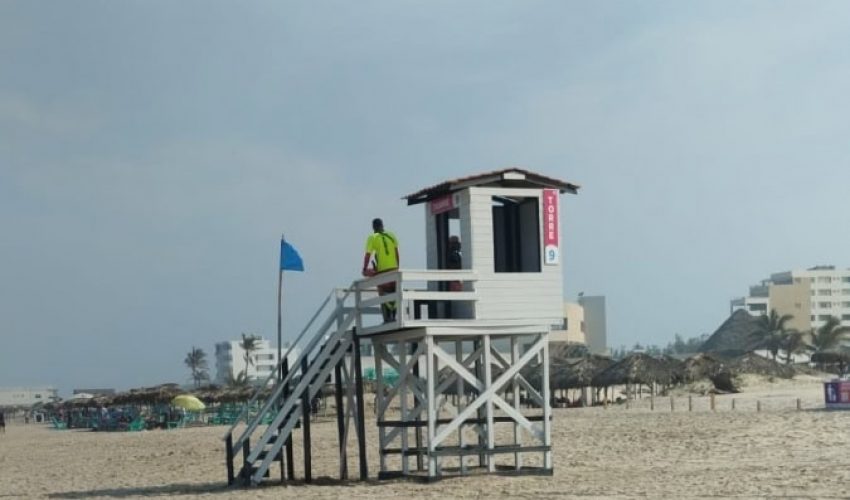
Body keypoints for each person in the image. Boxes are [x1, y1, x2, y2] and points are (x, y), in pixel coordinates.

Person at [362, 218, 400, 322]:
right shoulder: (392, 235)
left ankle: (387, 318)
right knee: (394, 292)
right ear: (383, 225)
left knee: (382, 291)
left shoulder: (372, 237)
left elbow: (368, 255)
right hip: (394, 270)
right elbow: (396, 253)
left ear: (373, 227)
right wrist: (397, 267)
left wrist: (364, 269)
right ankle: (394, 316)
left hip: (384, 271)